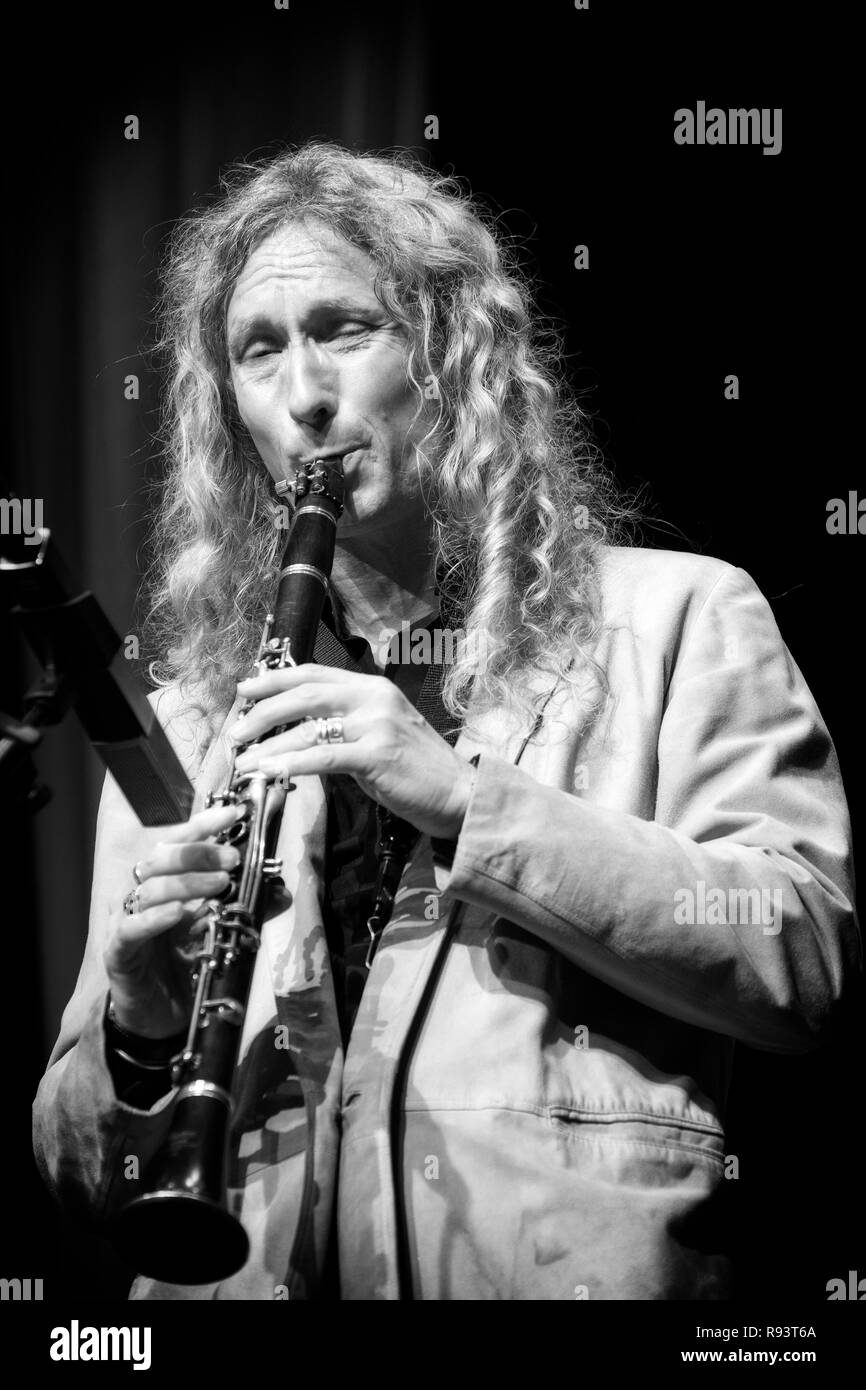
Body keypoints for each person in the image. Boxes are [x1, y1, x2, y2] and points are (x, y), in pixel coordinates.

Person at [33, 142, 859, 1301]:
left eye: (345, 329)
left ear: (447, 358)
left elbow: (800, 954)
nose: (304, 393)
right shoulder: (188, 722)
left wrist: (471, 801)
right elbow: (81, 1177)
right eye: (258, 350)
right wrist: (137, 1026)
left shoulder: (676, 615)